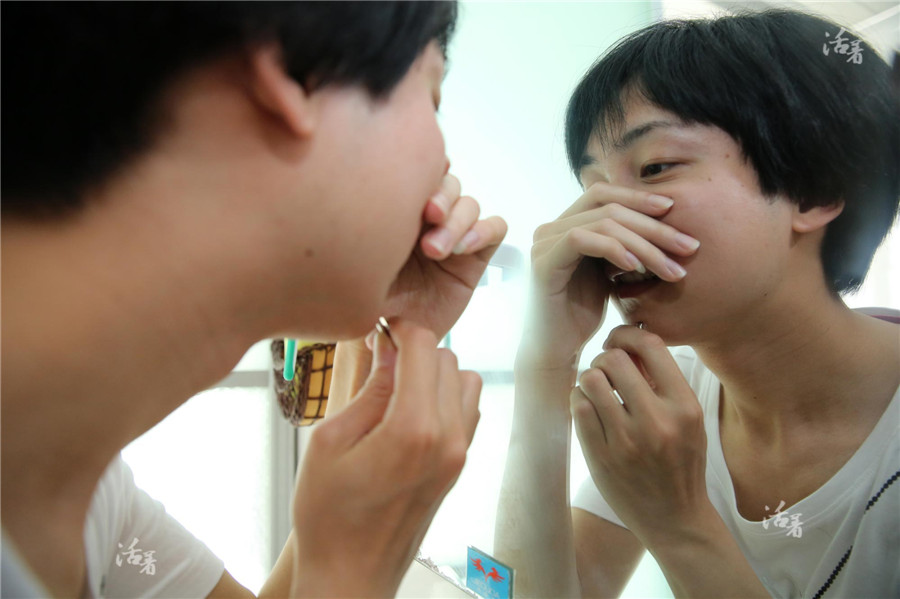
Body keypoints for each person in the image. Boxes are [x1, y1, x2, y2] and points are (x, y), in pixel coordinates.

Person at [1, 2, 507, 598]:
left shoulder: (88, 496)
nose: (444, 164)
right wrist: (352, 577)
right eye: (431, 97)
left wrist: (392, 351)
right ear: (297, 71)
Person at [496, 9, 899, 599]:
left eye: (655, 167)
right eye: (592, 187)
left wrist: (680, 526)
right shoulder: (670, 395)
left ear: (814, 192)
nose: (601, 220)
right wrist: (543, 366)